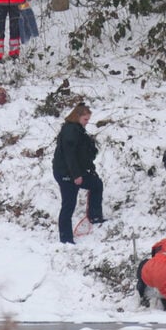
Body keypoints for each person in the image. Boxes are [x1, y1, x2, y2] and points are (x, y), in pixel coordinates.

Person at [52, 103, 105, 244]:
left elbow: (82, 155)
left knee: (96, 185)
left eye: (88, 119)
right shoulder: (70, 131)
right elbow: (70, 156)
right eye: (85, 119)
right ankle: (66, 238)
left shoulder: (78, 130)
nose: (87, 123)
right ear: (78, 117)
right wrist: (76, 175)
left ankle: (95, 216)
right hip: (66, 174)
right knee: (68, 205)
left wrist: (89, 170)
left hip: (76, 172)